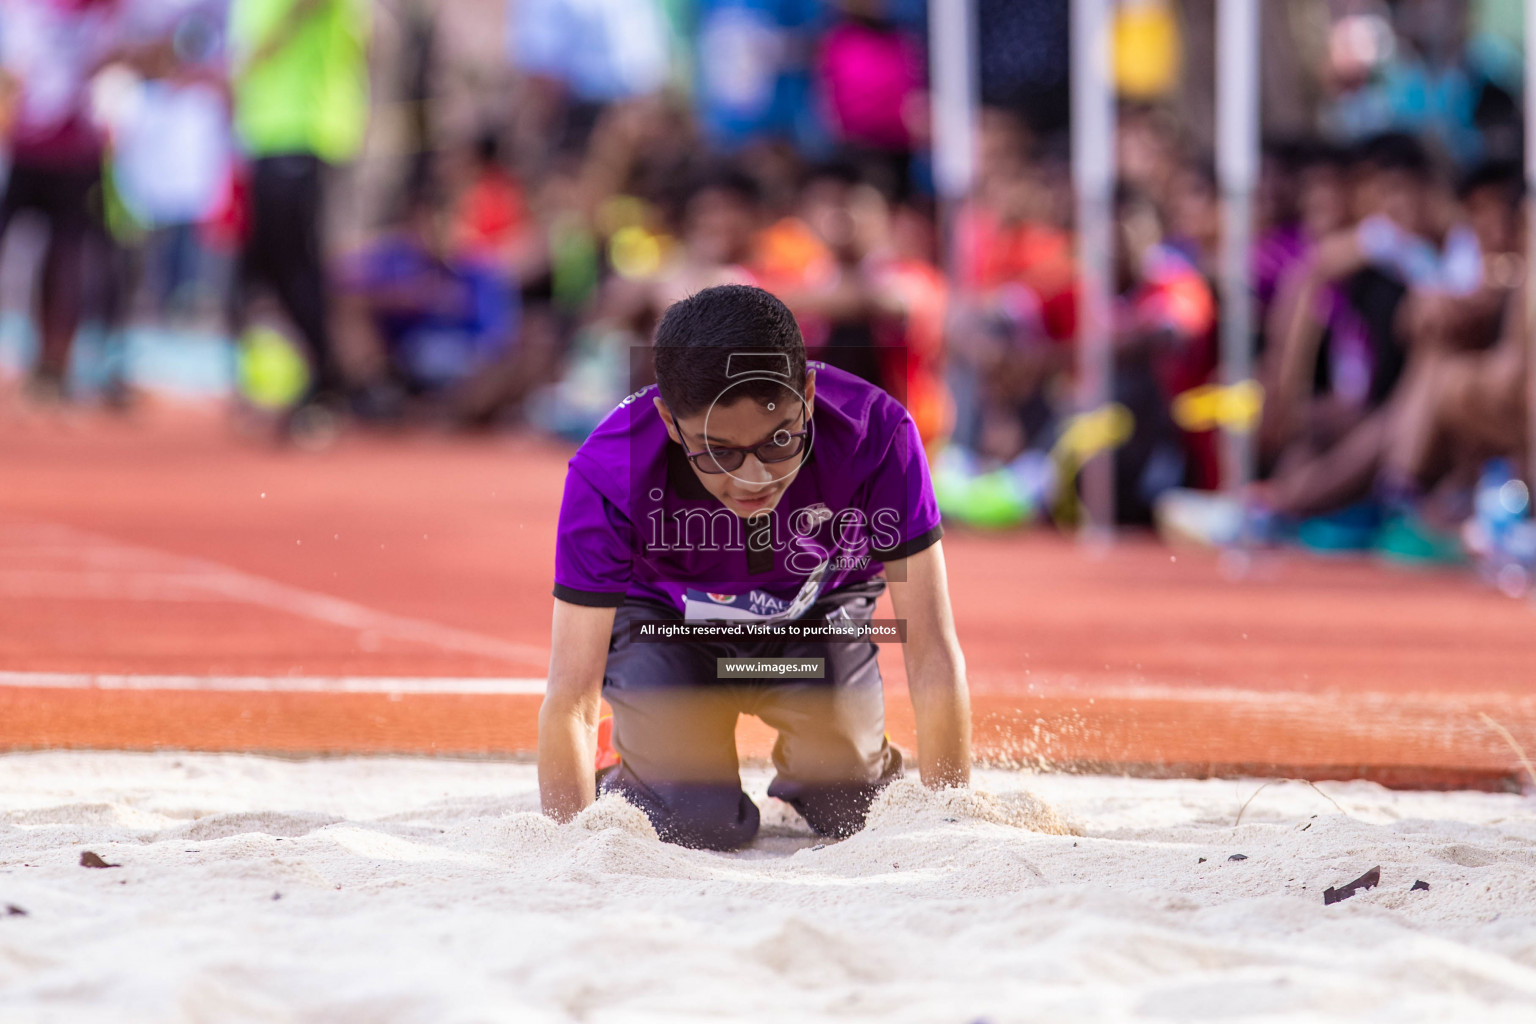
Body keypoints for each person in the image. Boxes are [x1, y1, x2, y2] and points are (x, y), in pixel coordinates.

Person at [539, 284, 970, 850]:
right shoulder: (608, 470)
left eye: (778, 442)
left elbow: (933, 650)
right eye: (718, 451)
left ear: (809, 394)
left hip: (818, 612)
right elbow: (571, 689)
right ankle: (625, 753)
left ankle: (851, 746)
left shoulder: (879, 436)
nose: (753, 478)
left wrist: (951, 823)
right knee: (692, 822)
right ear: (670, 422)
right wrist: (570, 847)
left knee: (849, 803)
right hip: (665, 624)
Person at [226, 0, 370, 436]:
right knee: (264, 270)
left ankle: (328, 384)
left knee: (295, 268)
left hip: (303, 132)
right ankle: (289, 384)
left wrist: (255, 56)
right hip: (269, 135)